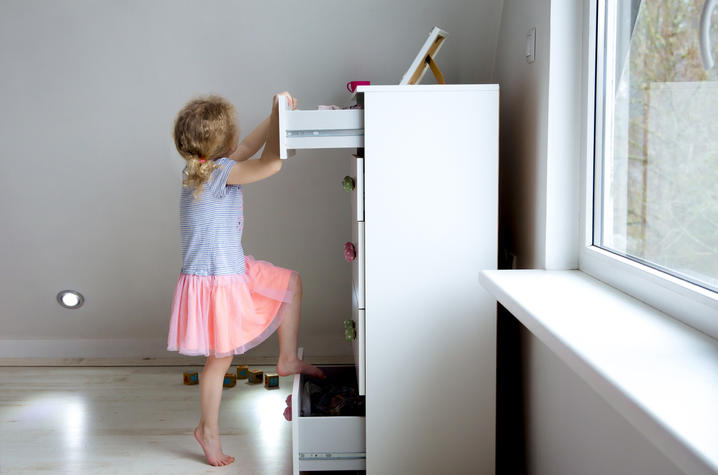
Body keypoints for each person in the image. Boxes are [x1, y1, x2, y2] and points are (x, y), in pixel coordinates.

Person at [167, 92, 324, 467]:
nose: (241, 141)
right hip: (216, 282)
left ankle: (286, 359)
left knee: (290, 283)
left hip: (231, 271)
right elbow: (270, 163)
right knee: (219, 361)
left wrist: (276, 114)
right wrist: (278, 117)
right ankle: (208, 432)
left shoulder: (203, 167)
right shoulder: (220, 173)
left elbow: (253, 144)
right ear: (221, 145)